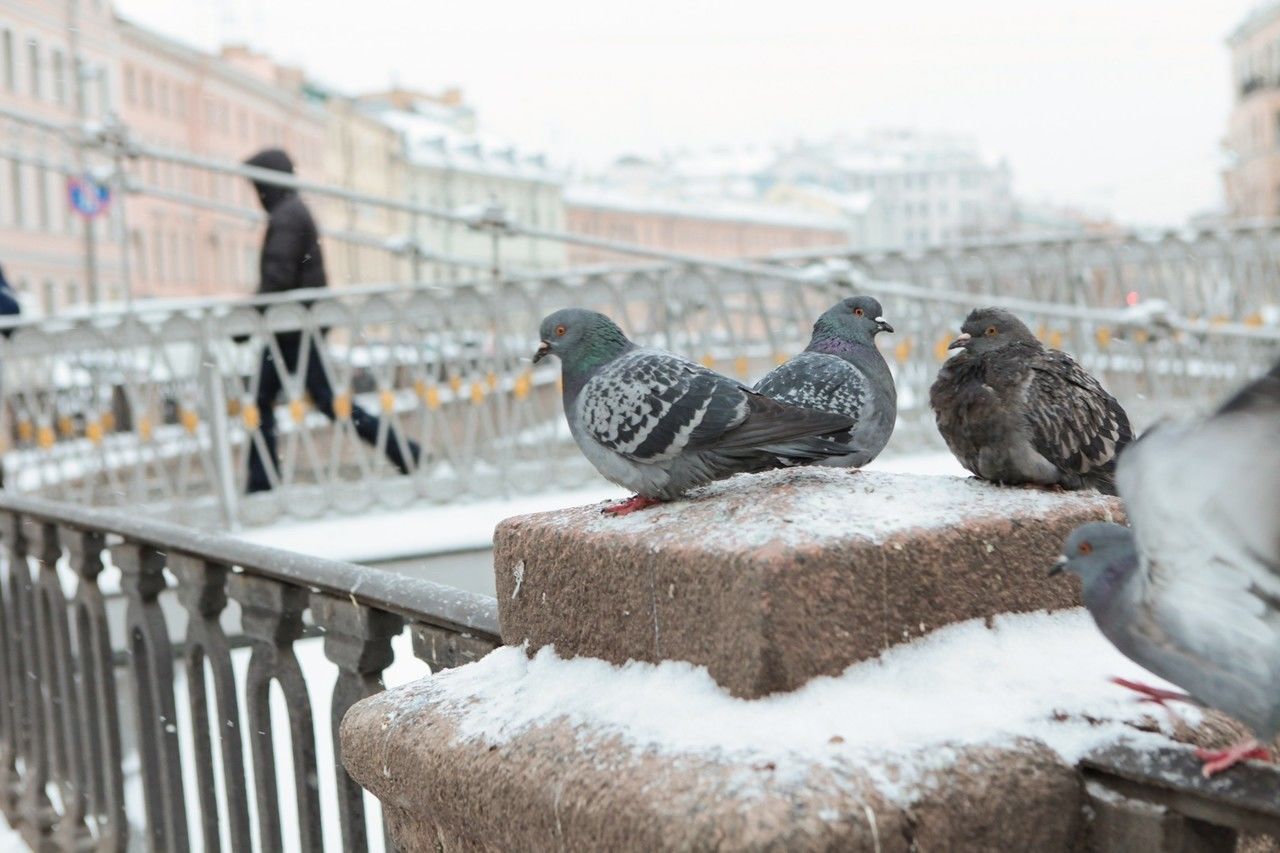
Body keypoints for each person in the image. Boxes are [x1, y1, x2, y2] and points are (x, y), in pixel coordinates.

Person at [242, 148, 418, 493]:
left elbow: (277, 277)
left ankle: (261, 483)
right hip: (295, 326)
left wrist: (248, 321)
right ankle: (405, 452)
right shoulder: (293, 211)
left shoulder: (287, 217)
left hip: (293, 329)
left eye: (256, 184)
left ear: (267, 183)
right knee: (295, 401)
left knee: (283, 401)